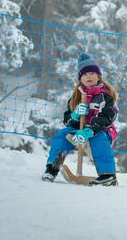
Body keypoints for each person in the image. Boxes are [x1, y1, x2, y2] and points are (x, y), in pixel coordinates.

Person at [42, 53, 119, 186]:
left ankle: (108, 175)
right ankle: (52, 167)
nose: (88, 76)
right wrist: (75, 116)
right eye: (84, 74)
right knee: (62, 135)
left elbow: (107, 117)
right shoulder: (77, 97)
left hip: (102, 131)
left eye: (91, 73)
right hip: (79, 131)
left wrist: (90, 130)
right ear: (80, 79)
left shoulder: (105, 97)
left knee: (98, 138)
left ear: (98, 76)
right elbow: (67, 120)